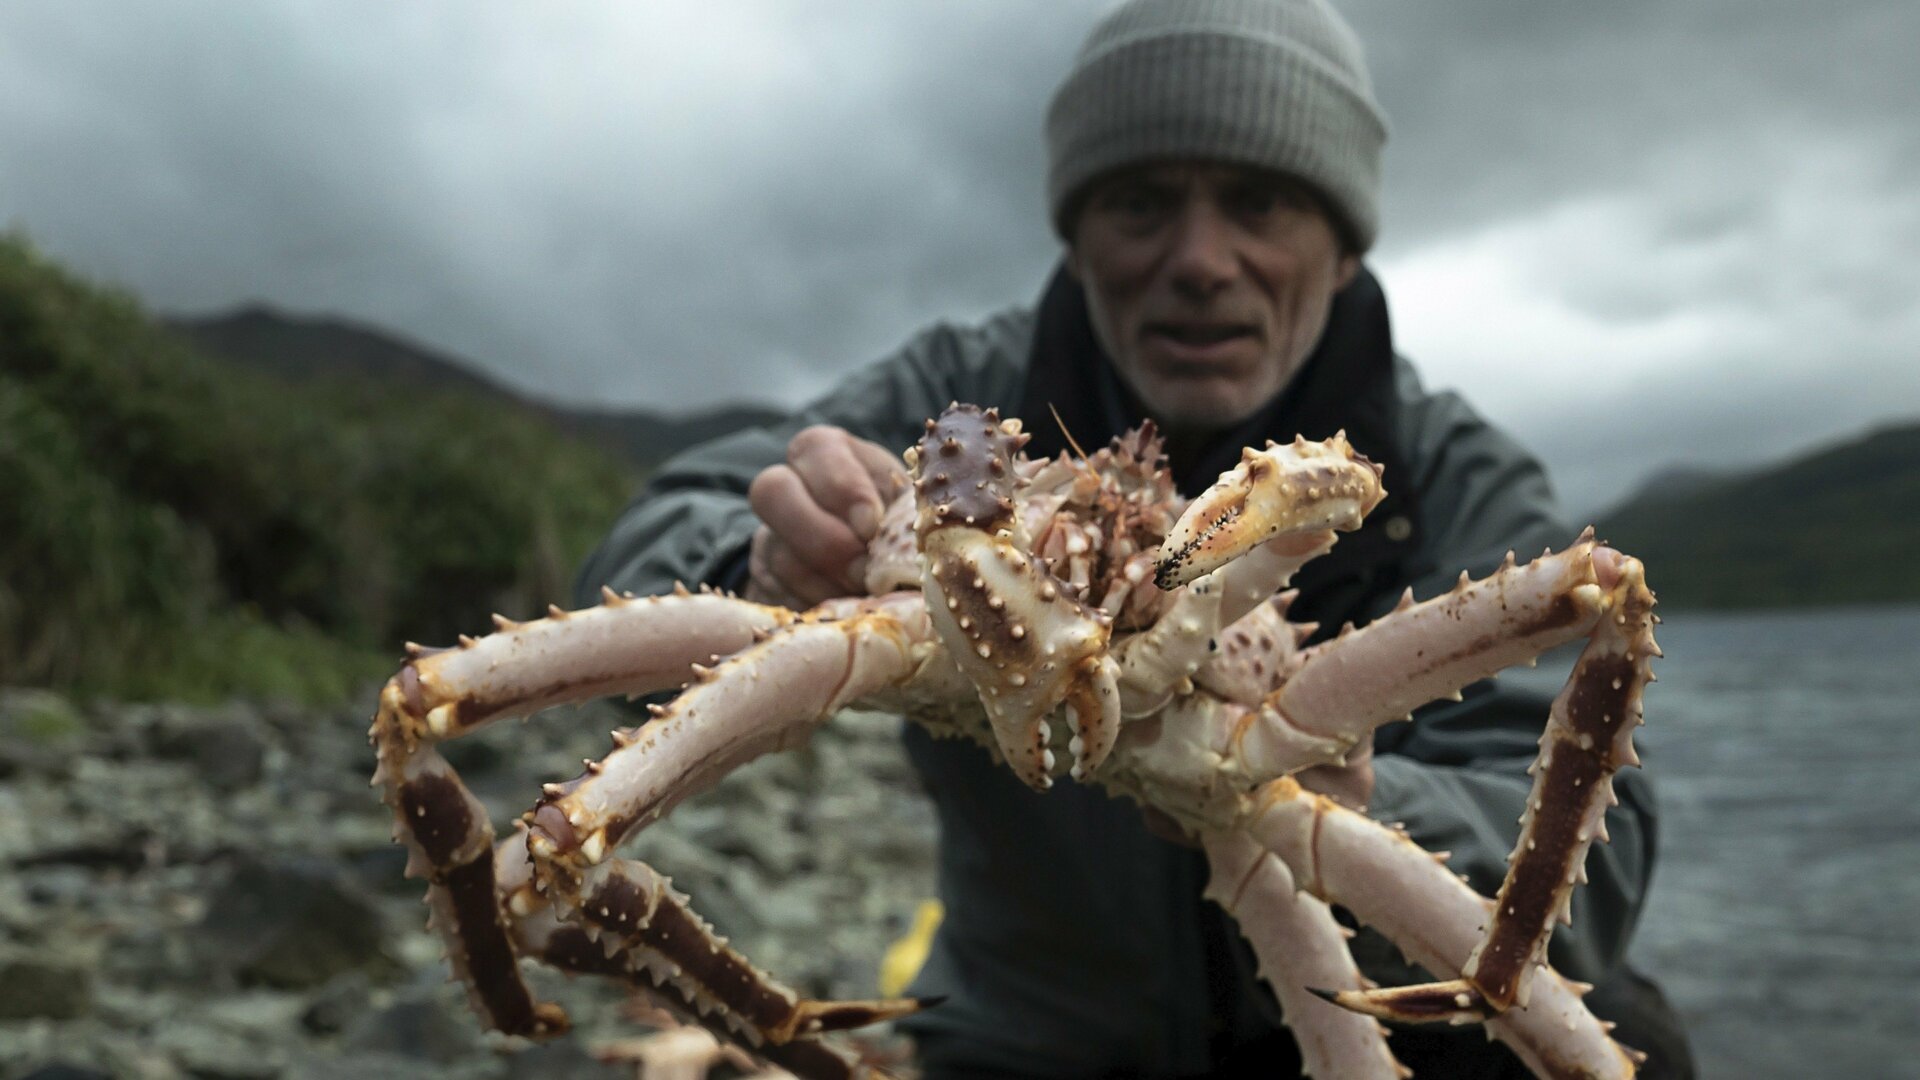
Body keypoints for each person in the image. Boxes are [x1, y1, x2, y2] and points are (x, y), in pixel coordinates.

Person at [575, 0, 1693, 1075]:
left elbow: (1591, 888)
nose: (1201, 259)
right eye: (1143, 203)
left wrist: (1370, 805)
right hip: (1031, 1037)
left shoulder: (1445, 471)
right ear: (1077, 235)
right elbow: (649, 545)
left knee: (1631, 1035)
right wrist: (766, 562)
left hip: (1365, 987)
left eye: (1260, 203)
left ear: (1343, 246)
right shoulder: (960, 396)